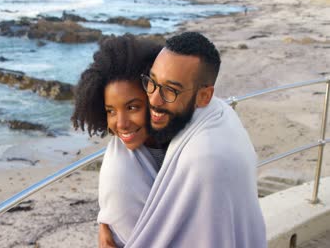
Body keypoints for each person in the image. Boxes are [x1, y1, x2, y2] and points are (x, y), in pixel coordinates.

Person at [123, 32, 267, 247]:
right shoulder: (221, 112)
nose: (153, 99)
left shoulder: (204, 160)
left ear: (204, 96)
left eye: (170, 90)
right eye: (151, 82)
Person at [71, 34, 163, 247]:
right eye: (110, 111)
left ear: (154, 99)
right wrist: (105, 221)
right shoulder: (120, 169)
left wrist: (104, 222)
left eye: (132, 107)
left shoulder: (183, 145)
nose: (120, 123)